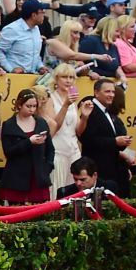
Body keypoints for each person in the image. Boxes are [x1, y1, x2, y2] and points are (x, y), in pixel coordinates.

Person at [0, 88, 54, 205]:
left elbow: (50, 149)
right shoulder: (9, 125)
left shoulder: (41, 123)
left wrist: (48, 167)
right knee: (17, 214)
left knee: (40, 214)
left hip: (38, 176)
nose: (32, 109)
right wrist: (29, 142)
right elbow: (8, 152)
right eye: (28, 106)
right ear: (19, 105)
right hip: (17, 178)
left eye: (34, 106)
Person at [77, 78, 132, 195]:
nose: (111, 95)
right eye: (107, 92)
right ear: (96, 93)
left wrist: (122, 142)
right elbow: (87, 140)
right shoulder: (90, 109)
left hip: (113, 168)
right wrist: (114, 142)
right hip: (99, 167)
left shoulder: (108, 111)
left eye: (113, 92)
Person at [42, 63, 81, 199]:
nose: (69, 81)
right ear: (56, 79)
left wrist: (86, 116)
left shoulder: (73, 101)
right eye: (65, 77)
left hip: (74, 152)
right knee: (56, 193)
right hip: (57, 153)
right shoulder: (50, 99)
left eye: (71, 77)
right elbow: (53, 128)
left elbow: (78, 131)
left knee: (75, 195)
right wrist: (65, 106)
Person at [0, 0, 48, 74]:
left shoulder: (36, 29)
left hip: (31, 77)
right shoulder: (12, 29)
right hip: (13, 78)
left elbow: (35, 54)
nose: (44, 15)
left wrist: (40, 67)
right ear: (33, 15)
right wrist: (11, 69)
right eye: (42, 12)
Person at [56, 157, 120, 197]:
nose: (78, 183)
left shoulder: (109, 188)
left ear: (94, 175)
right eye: (75, 179)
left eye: (83, 180)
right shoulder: (64, 193)